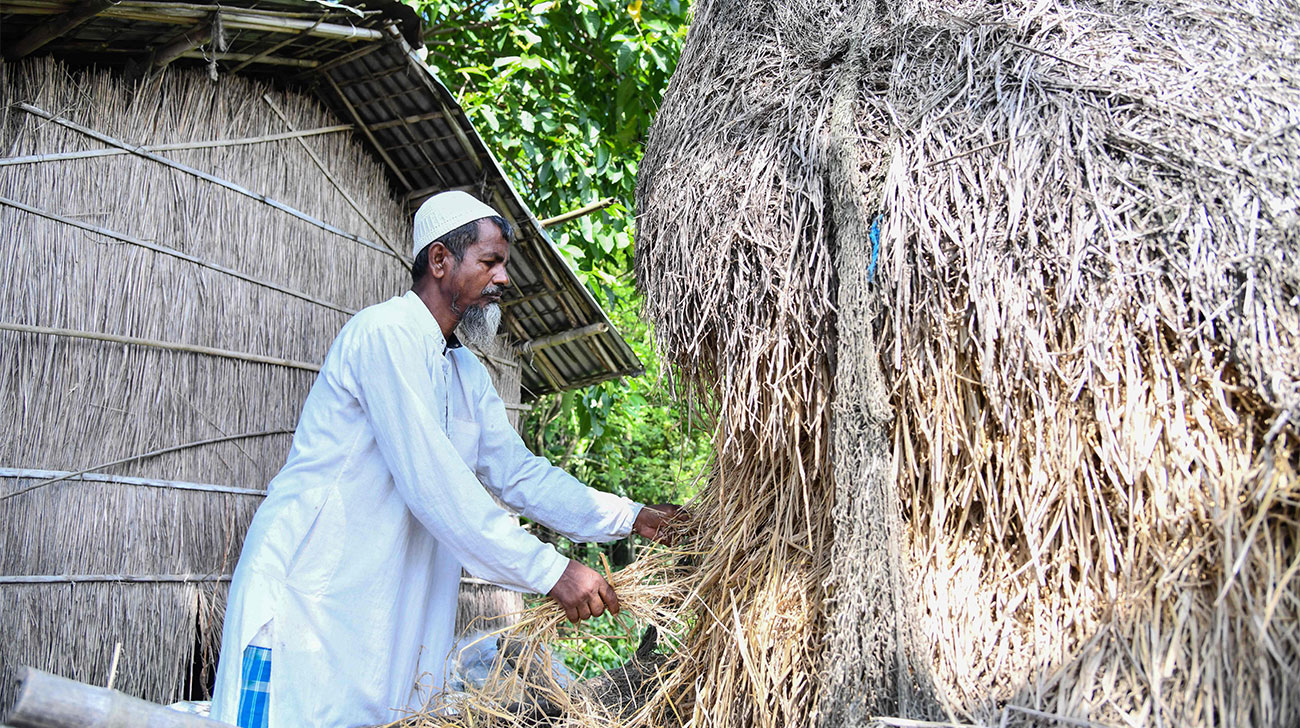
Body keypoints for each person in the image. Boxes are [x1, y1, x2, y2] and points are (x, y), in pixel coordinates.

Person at [209, 191, 682, 728]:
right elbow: (434, 483)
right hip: (308, 605)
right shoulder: (384, 334)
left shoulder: (464, 373)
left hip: (379, 618)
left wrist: (632, 517)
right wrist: (551, 571)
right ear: (440, 260)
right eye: (490, 261)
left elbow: (520, 475)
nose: (503, 278)